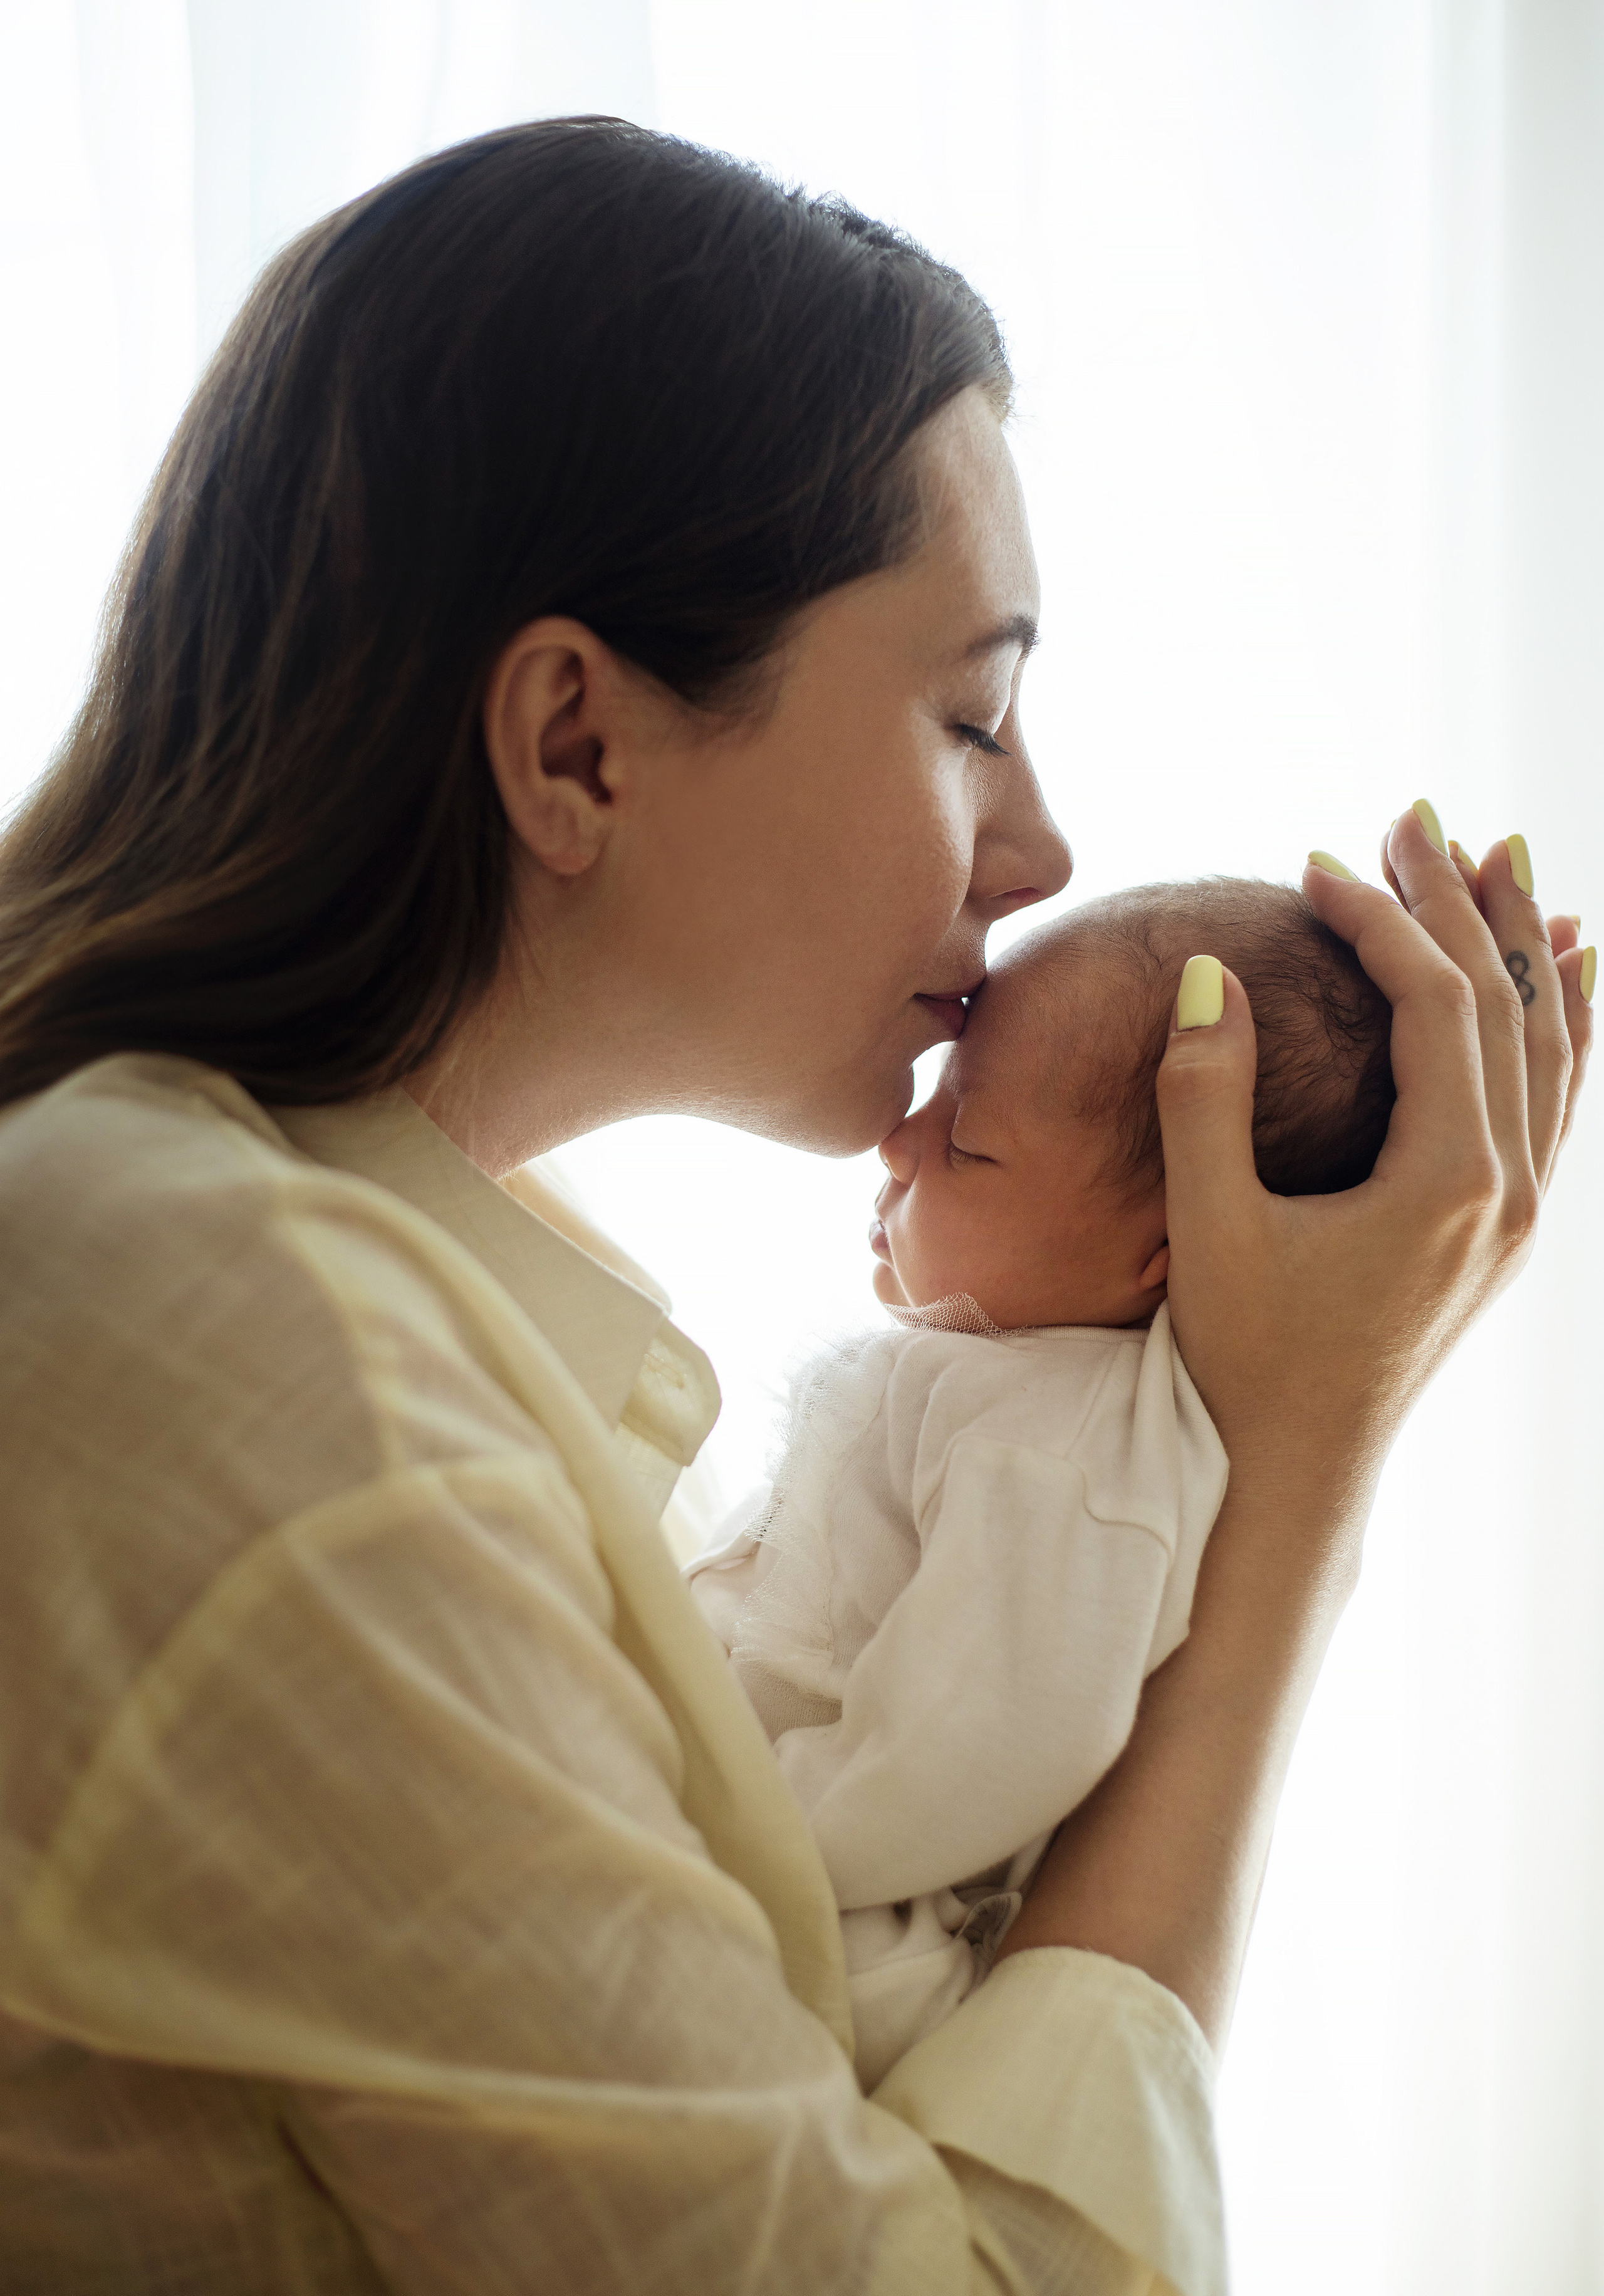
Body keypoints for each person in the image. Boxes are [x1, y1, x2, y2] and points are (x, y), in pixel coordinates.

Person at [0, 118, 1590, 2296]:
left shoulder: (328, 1293)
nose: (1038, 854)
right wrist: (1296, 1472)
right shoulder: (236, 1348)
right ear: (574, 744)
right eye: (977, 716)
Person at [685, 880, 1396, 2093]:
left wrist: (735, 1831)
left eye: (965, 1142)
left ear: (1168, 1248)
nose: (899, 1140)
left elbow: (981, 1737)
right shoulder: (1002, 1387)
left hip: (853, 1918)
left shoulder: (1060, 1445)